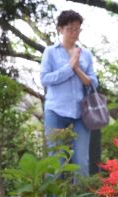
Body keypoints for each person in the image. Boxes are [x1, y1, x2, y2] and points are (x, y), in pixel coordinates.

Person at [40, 10, 98, 177]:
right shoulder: (50, 52)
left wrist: (77, 68)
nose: (74, 33)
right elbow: (45, 79)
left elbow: (93, 81)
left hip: (81, 112)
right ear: (60, 29)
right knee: (55, 161)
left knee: (81, 162)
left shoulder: (85, 54)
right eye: (70, 29)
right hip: (55, 111)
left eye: (77, 29)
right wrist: (68, 67)